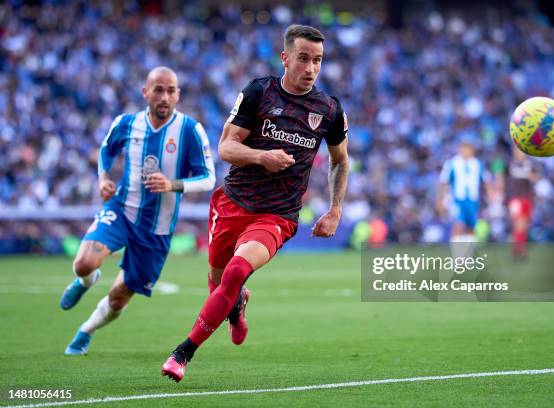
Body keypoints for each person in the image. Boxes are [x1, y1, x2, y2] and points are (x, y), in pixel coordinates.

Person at [161, 24, 350, 382]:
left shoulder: (329, 110)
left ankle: (182, 353)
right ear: (285, 58)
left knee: (235, 271)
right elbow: (226, 147)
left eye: (318, 61)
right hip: (232, 204)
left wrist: (335, 209)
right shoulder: (258, 92)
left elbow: (340, 160)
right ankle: (236, 306)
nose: (310, 68)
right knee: (219, 284)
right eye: (303, 59)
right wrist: (262, 157)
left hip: (277, 216)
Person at [60, 66, 216, 355]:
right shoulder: (127, 123)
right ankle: (86, 279)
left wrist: (173, 184)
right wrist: (103, 178)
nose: (164, 96)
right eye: (158, 89)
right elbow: (106, 150)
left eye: (171, 90)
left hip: (156, 229)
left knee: (120, 298)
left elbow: (208, 177)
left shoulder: (190, 130)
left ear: (178, 95)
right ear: (145, 92)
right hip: (121, 209)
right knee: (84, 263)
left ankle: (86, 331)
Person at [437, 138, 492, 245]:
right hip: (457, 200)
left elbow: (486, 181)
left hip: (473, 200)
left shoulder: (477, 164)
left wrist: (490, 196)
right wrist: (440, 199)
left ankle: (467, 256)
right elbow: (444, 182)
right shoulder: (452, 163)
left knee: (471, 226)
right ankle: (458, 256)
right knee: (458, 224)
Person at [503, 144, 538, 259]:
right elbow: (503, 179)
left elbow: (536, 178)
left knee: (524, 225)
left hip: (527, 198)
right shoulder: (510, 164)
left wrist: (531, 176)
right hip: (515, 198)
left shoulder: (529, 164)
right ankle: (519, 251)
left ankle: (519, 249)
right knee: (518, 223)